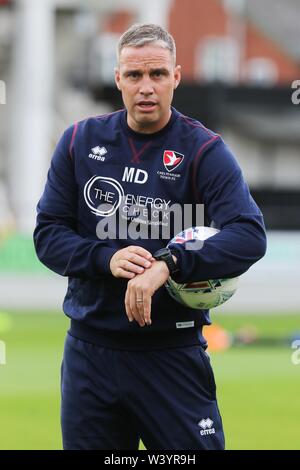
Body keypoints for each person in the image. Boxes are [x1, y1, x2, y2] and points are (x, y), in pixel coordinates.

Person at [33, 23, 266, 450]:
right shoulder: (79, 142)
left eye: (157, 74)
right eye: (135, 75)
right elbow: (48, 235)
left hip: (171, 354)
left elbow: (249, 235)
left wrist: (169, 263)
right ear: (118, 78)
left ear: (175, 78)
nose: (146, 87)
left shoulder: (203, 151)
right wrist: (106, 259)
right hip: (91, 354)